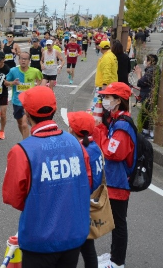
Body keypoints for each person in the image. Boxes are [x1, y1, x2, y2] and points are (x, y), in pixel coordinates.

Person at [2, 86, 91, 268]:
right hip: (73, 236)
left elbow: (13, 197)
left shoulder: (22, 151)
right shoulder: (75, 143)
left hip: (38, 240)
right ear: (54, 110)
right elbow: (87, 182)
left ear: (26, 114)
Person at [93, 82, 137, 268]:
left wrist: (99, 131)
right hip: (114, 180)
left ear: (119, 100)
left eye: (108, 97)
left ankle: (117, 262)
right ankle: (113, 256)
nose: (104, 100)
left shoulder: (122, 126)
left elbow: (113, 153)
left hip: (119, 182)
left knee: (118, 223)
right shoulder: (116, 120)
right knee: (114, 221)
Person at [68, 111, 104, 268]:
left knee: (74, 249)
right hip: (91, 201)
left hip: (80, 206)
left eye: (71, 125)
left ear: (74, 130)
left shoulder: (80, 152)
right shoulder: (95, 147)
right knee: (88, 247)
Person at [4, 52, 42, 140]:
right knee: (20, 123)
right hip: (17, 101)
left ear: (29, 61)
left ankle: (26, 144)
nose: (23, 60)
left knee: (25, 124)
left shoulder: (35, 71)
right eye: (22, 58)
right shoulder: (13, 71)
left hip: (29, 102)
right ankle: (25, 138)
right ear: (19, 60)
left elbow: (40, 79)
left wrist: (37, 87)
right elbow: (5, 82)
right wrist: (12, 83)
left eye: (26, 59)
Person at [134, 54, 159, 140]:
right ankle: (146, 131)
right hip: (148, 96)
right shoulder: (153, 70)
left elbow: (141, 83)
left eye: (146, 59)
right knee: (146, 114)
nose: (144, 61)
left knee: (147, 113)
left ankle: (149, 133)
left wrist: (138, 74)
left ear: (150, 62)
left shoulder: (151, 71)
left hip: (148, 97)